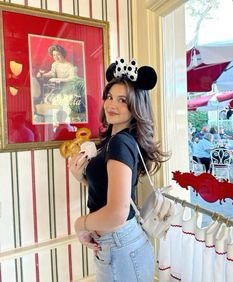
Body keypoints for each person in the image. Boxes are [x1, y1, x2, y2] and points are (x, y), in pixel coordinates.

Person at [69, 58, 169, 281]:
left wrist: (80, 224)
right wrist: (81, 178)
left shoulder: (120, 143)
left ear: (136, 106)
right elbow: (111, 192)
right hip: (119, 244)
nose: (111, 105)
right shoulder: (114, 140)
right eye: (109, 97)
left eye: (122, 100)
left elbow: (117, 212)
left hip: (120, 246)